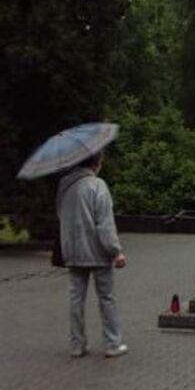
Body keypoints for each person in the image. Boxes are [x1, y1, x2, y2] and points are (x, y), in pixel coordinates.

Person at [56, 152, 127, 358]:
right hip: (97, 252)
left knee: (76, 299)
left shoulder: (64, 185)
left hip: (72, 250)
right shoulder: (98, 186)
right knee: (106, 298)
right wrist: (116, 251)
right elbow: (104, 224)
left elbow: (60, 215)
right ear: (96, 164)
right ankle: (112, 344)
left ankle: (77, 345)